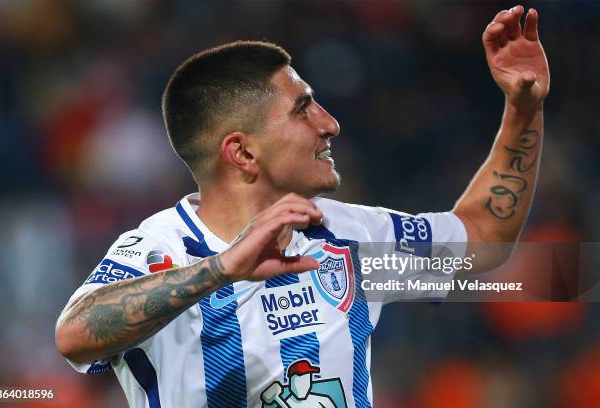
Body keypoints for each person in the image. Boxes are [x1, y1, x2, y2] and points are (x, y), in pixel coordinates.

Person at [56, 5, 549, 407]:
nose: (330, 123)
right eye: (302, 108)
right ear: (242, 152)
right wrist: (223, 268)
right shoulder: (162, 247)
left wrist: (522, 110)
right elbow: (75, 334)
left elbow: (484, 237)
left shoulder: (350, 235)